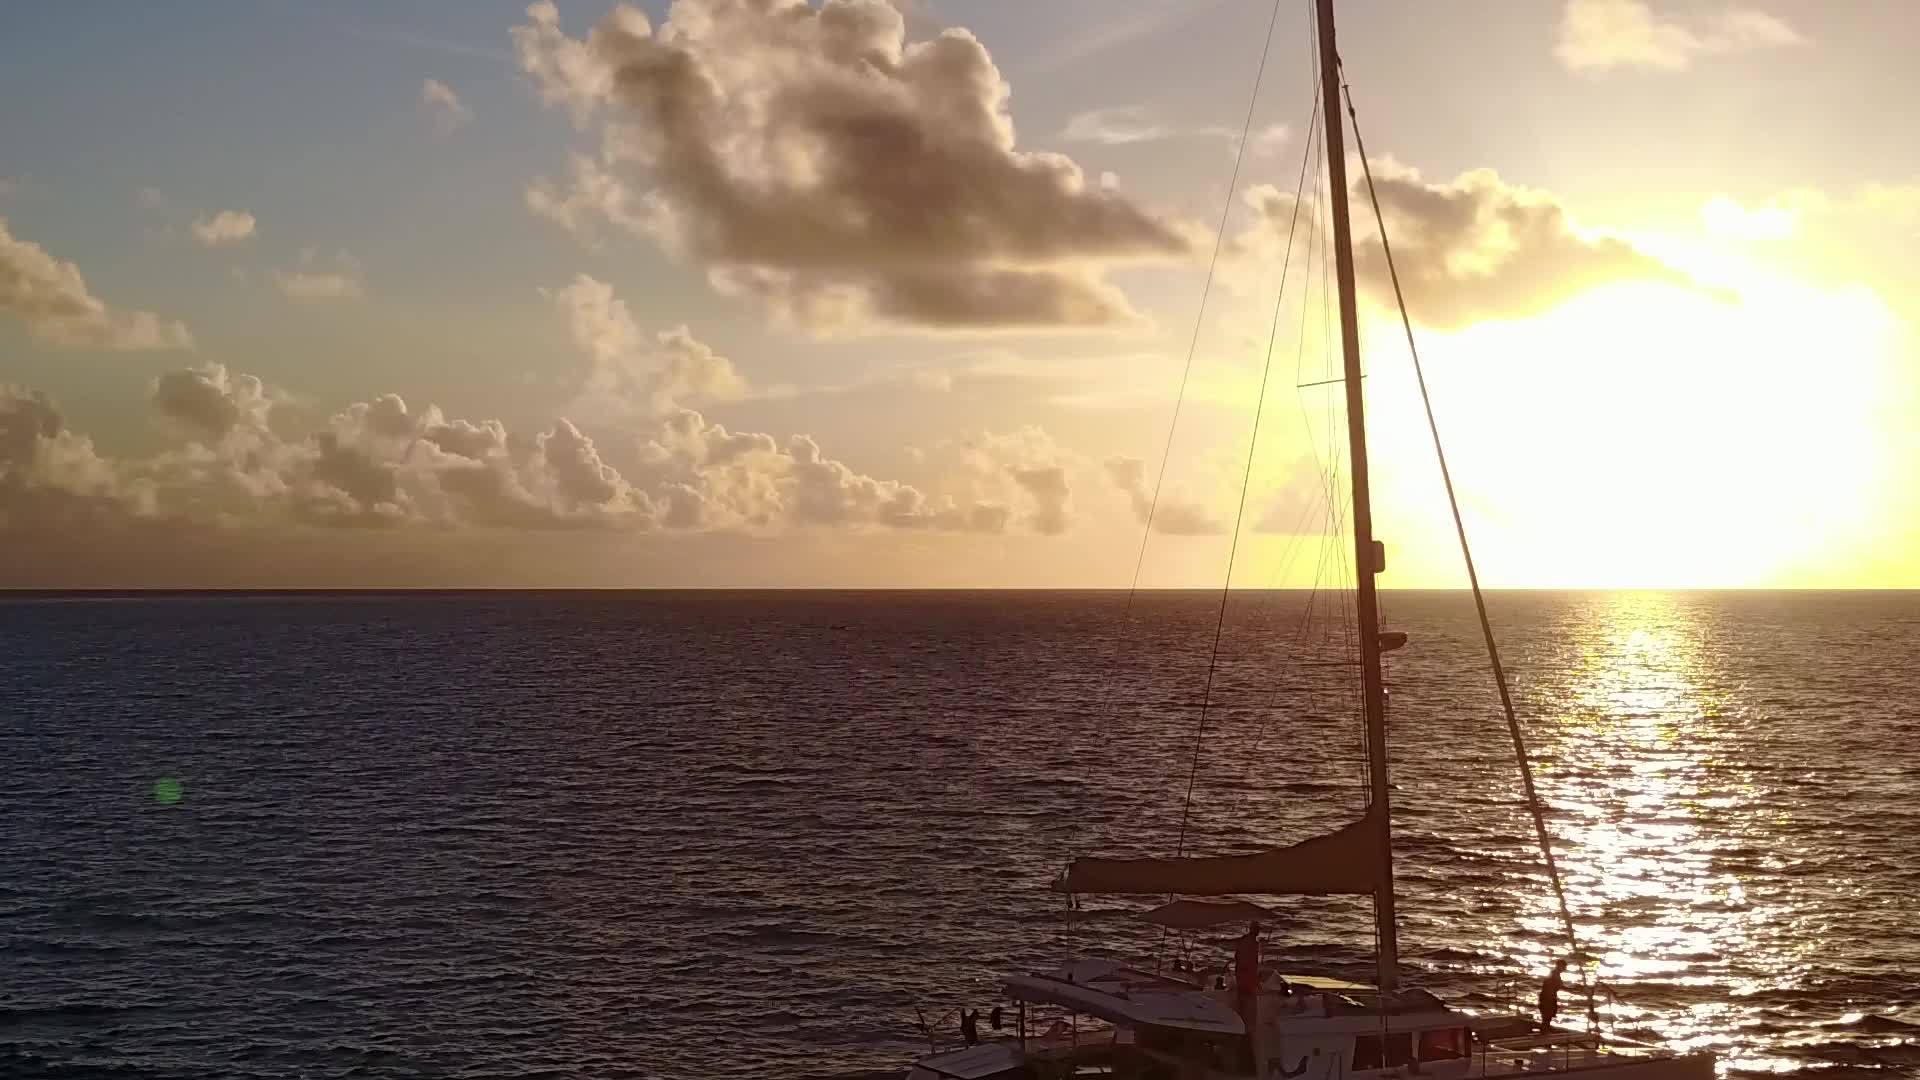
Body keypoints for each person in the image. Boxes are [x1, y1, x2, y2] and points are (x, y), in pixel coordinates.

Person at [1538, 959, 1567, 1028]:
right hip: (1548, 998)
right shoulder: (1554, 974)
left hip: (1548, 997)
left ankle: (1545, 1031)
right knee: (1547, 1017)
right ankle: (1544, 1032)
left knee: (1547, 1017)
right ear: (1560, 966)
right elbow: (1557, 986)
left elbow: (1558, 986)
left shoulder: (1554, 974)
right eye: (1564, 967)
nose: (1565, 968)